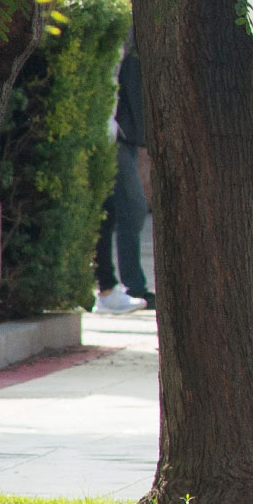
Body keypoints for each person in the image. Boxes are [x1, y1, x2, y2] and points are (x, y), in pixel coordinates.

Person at [95, 44, 151, 312]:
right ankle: (117, 286)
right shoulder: (118, 26)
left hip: (120, 132)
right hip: (112, 132)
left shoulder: (133, 27)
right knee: (129, 206)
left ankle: (124, 285)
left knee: (120, 209)